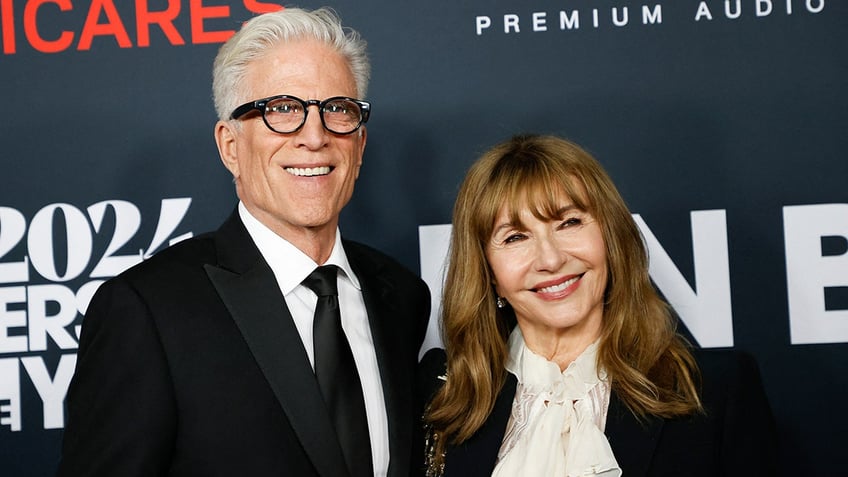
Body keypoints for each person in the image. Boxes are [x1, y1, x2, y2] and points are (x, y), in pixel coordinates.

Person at [58, 7, 430, 477]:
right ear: (230, 146)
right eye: (282, 111)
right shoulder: (147, 311)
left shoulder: (400, 295)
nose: (314, 137)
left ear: (359, 144)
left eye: (337, 110)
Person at [417, 134, 778, 477]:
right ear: (488, 271)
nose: (551, 259)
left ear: (610, 236)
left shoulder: (715, 391)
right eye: (515, 237)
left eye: (569, 222)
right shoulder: (442, 397)